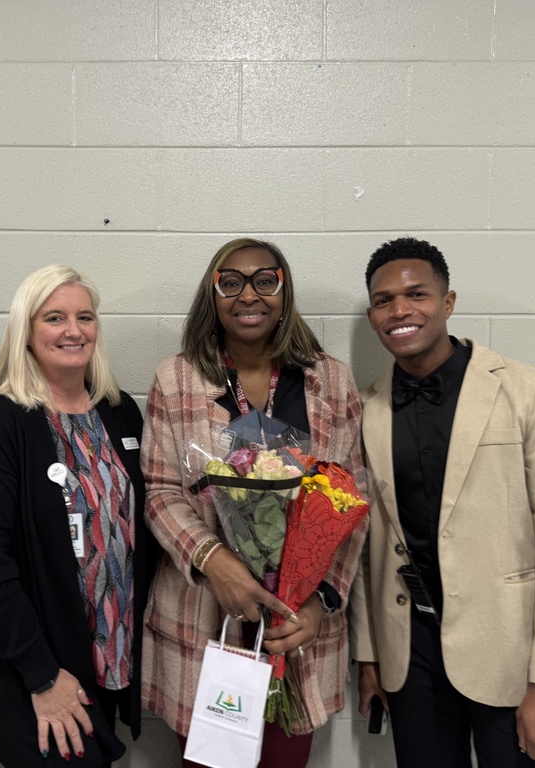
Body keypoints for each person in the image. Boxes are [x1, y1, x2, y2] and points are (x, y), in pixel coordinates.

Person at [350, 237, 535, 767]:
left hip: (511, 654)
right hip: (410, 655)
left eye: (417, 294)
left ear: (448, 302)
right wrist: (369, 656)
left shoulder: (529, 391)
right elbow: (366, 546)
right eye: (384, 301)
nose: (400, 310)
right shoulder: (366, 407)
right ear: (372, 316)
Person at [142, 238, 367, 767]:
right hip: (206, 616)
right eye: (232, 283)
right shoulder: (175, 379)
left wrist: (321, 601)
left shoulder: (330, 380)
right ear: (213, 294)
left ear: (284, 293)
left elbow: (351, 500)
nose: (249, 295)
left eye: (266, 281)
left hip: (295, 627)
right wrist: (213, 559)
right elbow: (160, 491)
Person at [0, 265, 154, 767]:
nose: (73, 330)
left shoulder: (119, 411)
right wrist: (41, 674)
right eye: (55, 318)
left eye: (85, 317)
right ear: (26, 331)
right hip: (37, 667)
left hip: (107, 654)